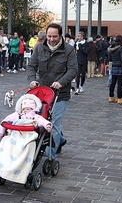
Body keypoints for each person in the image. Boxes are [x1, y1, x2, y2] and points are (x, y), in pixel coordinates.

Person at [27, 23, 77, 158]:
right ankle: (60, 139)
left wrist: (61, 82)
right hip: (43, 92)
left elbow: (73, 69)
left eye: (55, 36)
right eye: (49, 36)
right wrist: (32, 79)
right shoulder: (39, 48)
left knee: (53, 122)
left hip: (61, 94)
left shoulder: (69, 49)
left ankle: (51, 155)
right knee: (42, 119)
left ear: (60, 35)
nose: (51, 39)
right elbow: (31, 66)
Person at [108, 35, 122, 105]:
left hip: (114, 65)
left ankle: (111, 97)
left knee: (112, 83)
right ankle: (120, 98)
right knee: (119, 84)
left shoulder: (112, 48)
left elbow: (110, 58)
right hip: (120, 66)